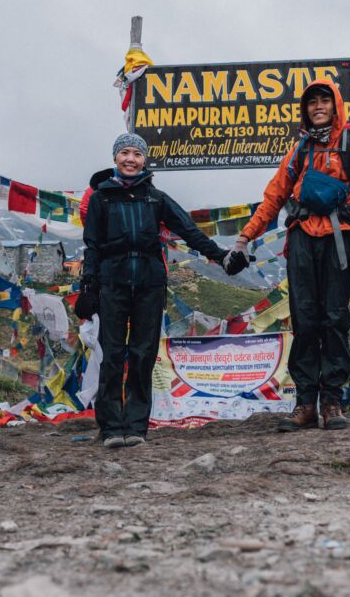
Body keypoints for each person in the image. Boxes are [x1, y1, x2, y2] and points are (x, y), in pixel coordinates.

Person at [225, 79, 350, 431]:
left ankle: (333, 402)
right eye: (312, 103)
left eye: (325, 100)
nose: (318, 107)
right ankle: (305, 403)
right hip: (301, 240)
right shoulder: (299, 151)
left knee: (335, 319)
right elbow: (273, 198)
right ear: (305, 110)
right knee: (305, 319)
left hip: (341, 239)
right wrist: (244, 239)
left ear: (336, 105)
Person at [74, 133, 248, 448]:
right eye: (124, 153)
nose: (130, 159)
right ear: (115, 158)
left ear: (144, 160)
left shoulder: (156, 198)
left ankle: (136, 428)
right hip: (111, 285)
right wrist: (88, 286)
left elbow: (188, 230)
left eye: (136, 154)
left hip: (150, 285)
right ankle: (112, 428)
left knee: (143, 355)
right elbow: (92, 246)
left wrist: (222, 257)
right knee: (111, 355)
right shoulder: (101, 198)